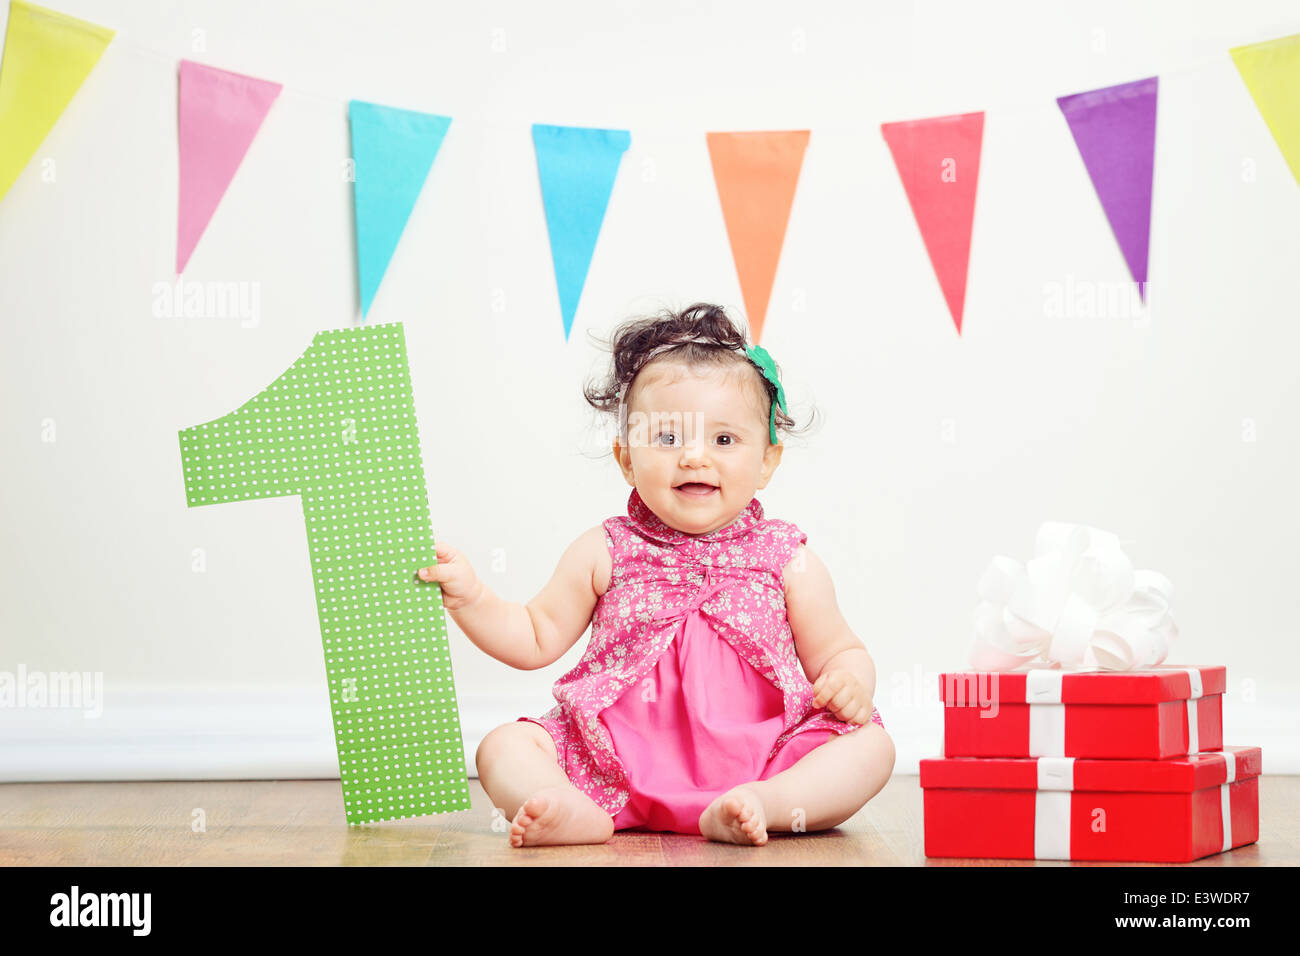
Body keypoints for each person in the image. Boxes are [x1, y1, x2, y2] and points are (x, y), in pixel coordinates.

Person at [418, 302, 895, 846]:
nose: (694, 458)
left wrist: (851, 682)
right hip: (614, 763)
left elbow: (840, 650)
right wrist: (471, 598)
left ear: (766, 461)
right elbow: (533, 635)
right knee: (502, 746)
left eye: (723, 440)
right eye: (668, 439)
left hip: (762, 759)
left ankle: (766, 804)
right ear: (626, 458)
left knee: (871, 746)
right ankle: (575, 809)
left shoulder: (786, 557)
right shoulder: (605, 549)